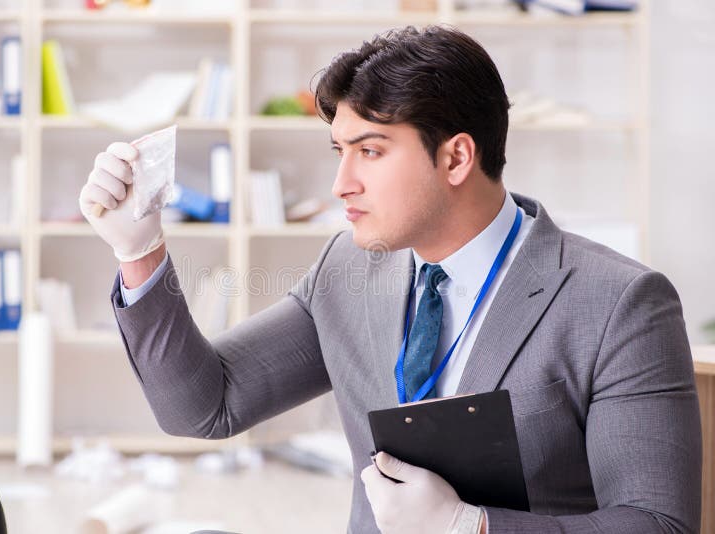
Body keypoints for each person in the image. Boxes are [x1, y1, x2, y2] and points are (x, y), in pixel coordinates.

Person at [78, 25, 701, 534]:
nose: (341, 183)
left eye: (370, 151)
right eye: (338, 151)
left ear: (456, 156)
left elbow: (657, 524)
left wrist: (473, 527)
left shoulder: (619, 304)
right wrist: (142, 254)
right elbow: (206, 407)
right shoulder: (347, 269)